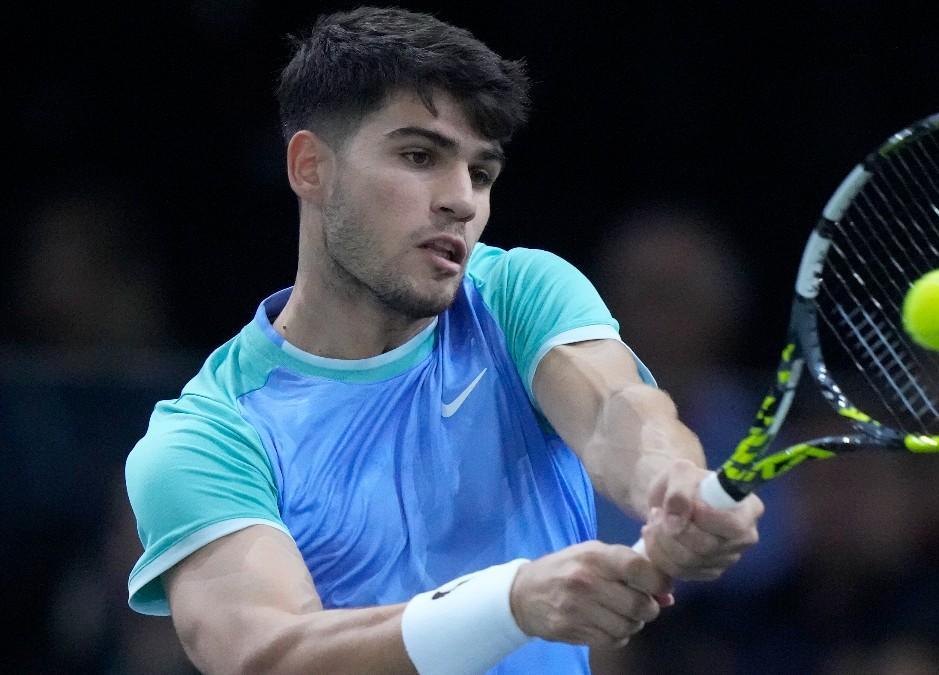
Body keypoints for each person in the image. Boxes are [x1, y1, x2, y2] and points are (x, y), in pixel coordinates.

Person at [123, 7, 763, 674]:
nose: (462, 200)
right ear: (311, 167)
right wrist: (508, 604)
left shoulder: (517, 294)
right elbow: (270, 655)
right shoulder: (208, 435)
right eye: (419, 156)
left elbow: (613, 413)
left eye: (481, 173)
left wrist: (672, 483)